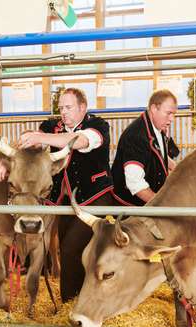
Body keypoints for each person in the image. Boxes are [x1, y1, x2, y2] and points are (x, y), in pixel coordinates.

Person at [11, 88, 114, 302]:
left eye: (68, 107)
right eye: (61, 108)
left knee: (70, 248)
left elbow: (80, 142)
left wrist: (40, 137)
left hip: (95, 197)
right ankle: (70, 301)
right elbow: (30, 143)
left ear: (83, 108)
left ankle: (78, 300)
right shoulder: (51, 127)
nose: (63, 112)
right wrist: (8, 164)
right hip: (64, 200)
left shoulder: (98, 126)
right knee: (67, 248)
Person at [111, 89, 179, 206]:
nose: (172, 119)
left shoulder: (157, 127)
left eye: (174, 114)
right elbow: (136, 185)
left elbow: (162, 155)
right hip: (129, 207)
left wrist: (180, 169)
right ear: (153, 109)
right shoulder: (135, 136)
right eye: (168, 113)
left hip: (149, 199)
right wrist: (164, 206)